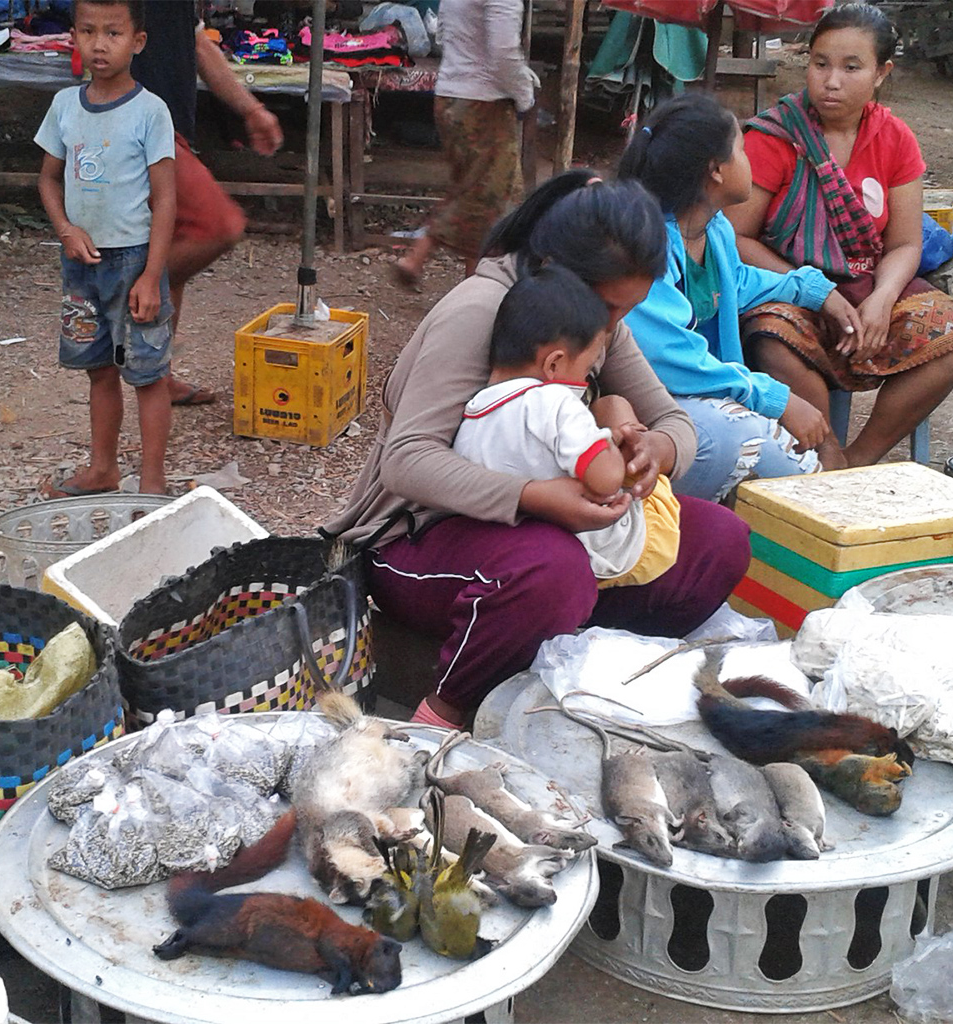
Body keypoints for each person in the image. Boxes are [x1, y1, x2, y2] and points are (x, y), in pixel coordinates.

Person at [326, 171, 753, 728]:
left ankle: (593, 681)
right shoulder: (481, 310)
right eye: (609, 308)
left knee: (718, 540)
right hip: (418, 539)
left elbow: (675, 419)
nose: (615, 326)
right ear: (555, 268)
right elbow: (407, 459)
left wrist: (656, 450)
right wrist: (534, 497)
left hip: (554, 538)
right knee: (551, 571)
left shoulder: (596, 320)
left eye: (626, 311)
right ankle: (443, 714)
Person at [729, 3, 953, 470]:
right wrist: (815, 290)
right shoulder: (775, 137)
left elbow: (906, 243)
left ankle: (858, 459)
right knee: (769, 339)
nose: (831, 81)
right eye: (820, 64)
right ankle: (825, 455)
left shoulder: (895, 138)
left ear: (881, 73)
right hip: (787, 288)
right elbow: (737, 239)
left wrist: (883, 298)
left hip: (867, 284)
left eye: (851, 67)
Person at [616, 92, 845, 504]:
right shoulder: (644, 246)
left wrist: (812, 289)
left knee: (787, 448)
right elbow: (669, 358)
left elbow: (734, 283)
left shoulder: (712, 229)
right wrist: (773, 398)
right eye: (741, 147)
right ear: (716, 172)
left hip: (700, 395)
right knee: (781, 454)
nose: (748, 158)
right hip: (646, 407)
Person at [453, 263, 683, 589]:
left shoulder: (473, 415)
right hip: (612, 550)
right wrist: (613, 440)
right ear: (554, 364)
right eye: (587, 371)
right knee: (619, 413)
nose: (586, 381)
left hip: (513, 546)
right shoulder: (555, 403)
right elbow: (605, 481)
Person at [35, 0, 176, 496]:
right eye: (88, 31)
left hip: (135, 259)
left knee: (148, 374)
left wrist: (151, 274)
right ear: (72, 35)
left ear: (137, 42)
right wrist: (65, 229)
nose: (99, 44)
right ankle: (103, 468)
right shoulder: (64, 107)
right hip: (81, 262)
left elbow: (165, 199)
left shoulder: (150, 111)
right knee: (97, 368)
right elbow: (49, 180)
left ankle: (153, 482)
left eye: (114, 33)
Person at [134, 0, 284, 407]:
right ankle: (125, 296)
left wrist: (251, 109)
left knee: (177, 239)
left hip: (167, 130)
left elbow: (198, 44)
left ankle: (156, 373)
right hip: (136, 128)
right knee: (216, 226)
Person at [391, 0, 538, 287]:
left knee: (471, 187)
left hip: (451, 94)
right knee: (491, 197)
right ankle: (472, 286)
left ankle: (421, 256)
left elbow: (442, 33)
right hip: (483, 101)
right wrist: (524, 95)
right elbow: (504, 52)